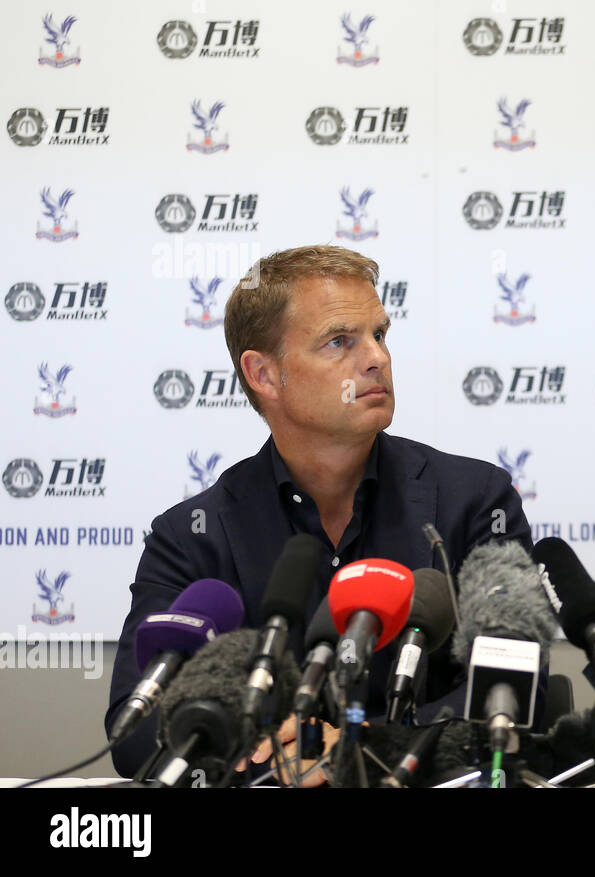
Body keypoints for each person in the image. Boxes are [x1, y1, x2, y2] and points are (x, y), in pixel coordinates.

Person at [105, 246, 533, 781]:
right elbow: (134, 728)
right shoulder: (191, 537)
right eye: (340, 341)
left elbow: (512, 689)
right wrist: (278, 749)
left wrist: (360, 748)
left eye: (380, 334)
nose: (376, 357)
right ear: (263, 374)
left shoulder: (476, 500)